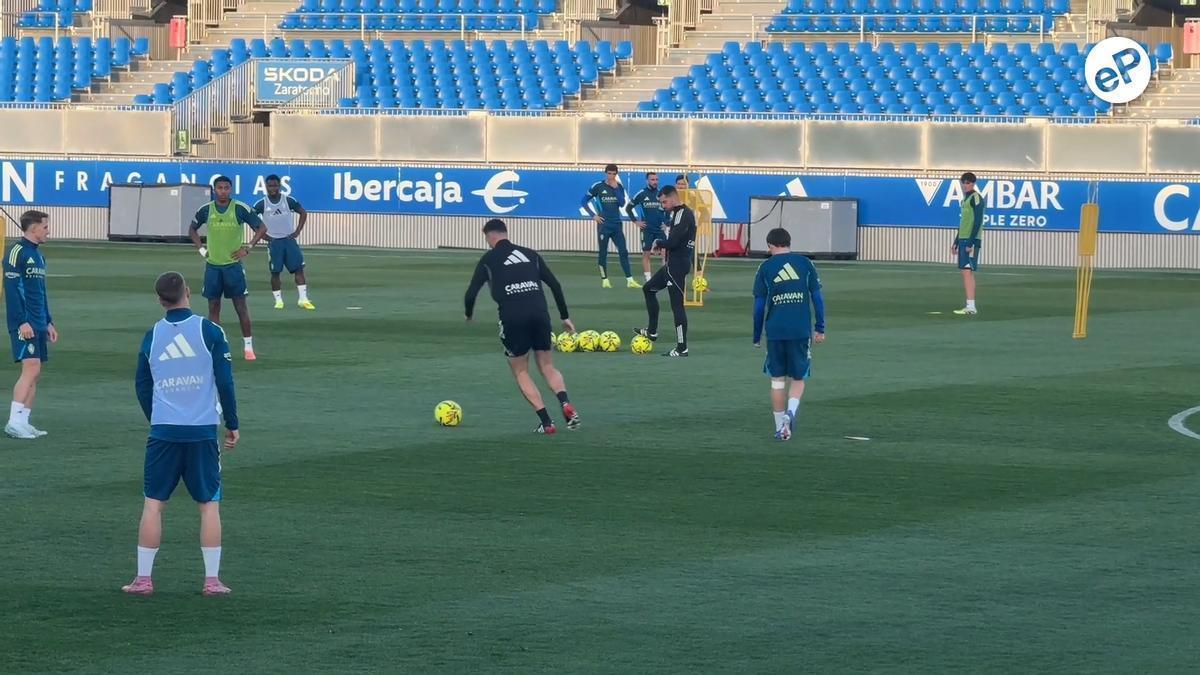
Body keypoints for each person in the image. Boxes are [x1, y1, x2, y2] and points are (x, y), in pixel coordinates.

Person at [124, 271, 240, 596]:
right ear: (188, 291)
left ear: (160, 300)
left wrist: (157, 418)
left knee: (153, 504)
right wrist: (232, 423)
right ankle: (212, 580)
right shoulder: (210, 331)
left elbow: (142, 384)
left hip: (163, 432)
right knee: (209, 505)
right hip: (201, 431)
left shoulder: (152, 335)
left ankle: (143, 579)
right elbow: (225, 381)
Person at [464, 219, 581, 434]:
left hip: (512, 316)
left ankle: (546, 422)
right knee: (547, 366)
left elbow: (471, 292)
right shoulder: (530, 254)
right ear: (505, 232)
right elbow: (555, 285)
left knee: (520, 370)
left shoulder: (488, 259)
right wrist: (565, 316)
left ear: (489, 236)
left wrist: (469, 314)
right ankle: (565, 402)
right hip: (540, 313)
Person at [752, 228, 825, 441]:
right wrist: (820, 327)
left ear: (770, 245)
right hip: (800, 329)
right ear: (789, 242)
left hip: (775, 330)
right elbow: (817, 298)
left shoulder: (765, 267)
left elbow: (759, 307)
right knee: (798, 378)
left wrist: (756, 335)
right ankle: (790, 412)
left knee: (777, 381)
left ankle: (780, 428)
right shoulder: (805, 263)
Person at [189, 176, 267, 361]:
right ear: (214, 190)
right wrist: (201, 249)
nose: (223, 191)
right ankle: (215, 346)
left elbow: (262, 228)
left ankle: (248, 347)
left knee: (241, 307)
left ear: (230, 189)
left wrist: (247, 248)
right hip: (213, 266)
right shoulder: (206, 210)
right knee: (213, 307)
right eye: (220, 188)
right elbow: (192, 229)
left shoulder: (239, 208)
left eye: (226, 188)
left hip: (233, 267)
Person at [3, 210, 57, 439]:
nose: (48, 231)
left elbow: (40, 292)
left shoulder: (39, 256)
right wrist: (21, 321)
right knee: (31, 368)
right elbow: (12, 290)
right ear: (33, 228)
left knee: (36, 372)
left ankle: (23, 421)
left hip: (38, 322)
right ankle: (14, 422)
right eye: (45, 226)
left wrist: (48, 321)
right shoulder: (16, 252)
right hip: (24, 323)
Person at [635, 185, 696, 358]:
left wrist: (658, 243)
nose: (663, 206)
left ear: (673, 197)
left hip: (677, 265)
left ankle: (682, 348)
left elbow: (673, 242)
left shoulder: (682, 214)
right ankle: (652, 331)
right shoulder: (677, 213)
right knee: (648, 289)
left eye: (664, 202)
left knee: (677, 306)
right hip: (673, 265)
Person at [253, 175, 315, 311]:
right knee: (275, 272)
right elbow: (251, 219)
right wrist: (262, 235)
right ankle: (278, 300)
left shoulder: (288, 200)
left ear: (279, 186)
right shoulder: (261, 203)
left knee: (299, 269)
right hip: (274, 242)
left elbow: (303, 213)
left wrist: (297, 231)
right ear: (266, 187)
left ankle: (303, 299)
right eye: (270, 186)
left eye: (275, 185)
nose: (273, 188)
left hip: (289, 240)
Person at [581, 164, 640, 289]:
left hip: (616, 225)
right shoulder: (598, 186)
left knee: (623, 251)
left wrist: (616, 189)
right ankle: (605, 279)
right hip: (604, 225)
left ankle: (630, 280)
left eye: (614, 174)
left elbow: (622, 203)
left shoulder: (619, 187)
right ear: (605, 173)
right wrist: (593, 215)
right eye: (609, 173)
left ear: (616, 174)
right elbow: (583, 201)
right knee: (603, 252)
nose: (611, 176)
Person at [625, 171, 668, 283]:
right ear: (647, 181)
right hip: (647, 230)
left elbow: (668, 210)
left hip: (659, 229)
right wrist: (636, 221)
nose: (655, 182)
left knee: (665, 253)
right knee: (646, 254)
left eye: (656, 179)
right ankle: (648, 279)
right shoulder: (641, 194)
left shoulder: (661, 194)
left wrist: (666, 223)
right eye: (652, 180)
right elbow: (628, 208)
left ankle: (666, 277)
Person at [952, 171, 985, 316]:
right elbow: (963, 222)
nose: (965, 185)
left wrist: (971, 242)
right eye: (963, 183)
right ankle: (970, 305)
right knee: (966, 272)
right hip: (963, 238)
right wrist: (956, 241)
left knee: (967, 272)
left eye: (968, 183)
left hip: (970, 239)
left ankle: (971, 306)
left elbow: (977, 221)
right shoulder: (965, 199)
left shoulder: (976, 198)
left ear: (973, 183)